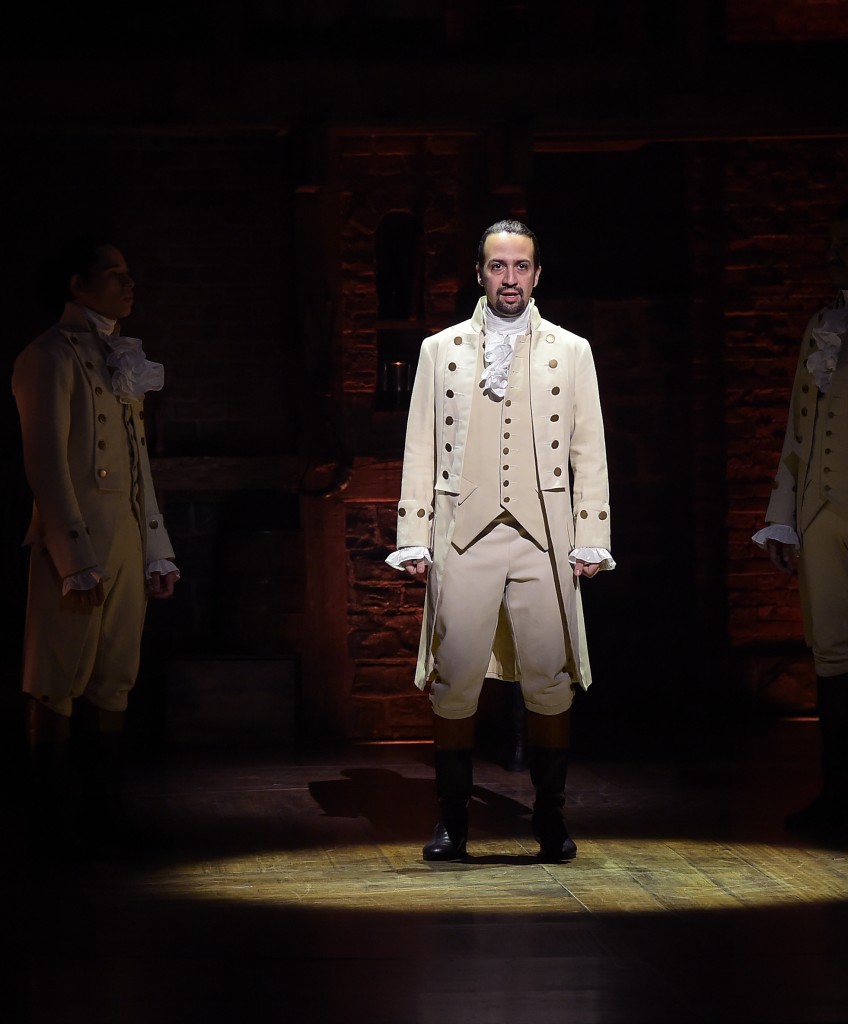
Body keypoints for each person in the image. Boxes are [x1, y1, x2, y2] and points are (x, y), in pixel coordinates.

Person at [387, 219, 614, 862]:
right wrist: (414, 535)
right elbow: (420, 447)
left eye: (520, 267)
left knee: (550, 678)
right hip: (463, 536)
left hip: (545, 538)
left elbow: (588, 450)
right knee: (454, 676)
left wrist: (591, 535)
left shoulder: (572, 351)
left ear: (537, 274)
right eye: (497, 266)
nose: (508, 278)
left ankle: (549, 817)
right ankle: (453, 820)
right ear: (480, 273)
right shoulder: (442, 349)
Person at [12, 236, 179, 854]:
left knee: (115, 676)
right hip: (78, 544)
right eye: (113, 275)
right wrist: (73, 556)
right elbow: (46, 467)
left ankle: (104, 807)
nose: (127, 284)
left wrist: (156, 545)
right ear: (77, 286)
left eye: (127, 274)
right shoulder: (48, 357)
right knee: (57, 674)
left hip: (126, 539)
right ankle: (47, 816)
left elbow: (138, 465)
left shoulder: (119, 356)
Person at [753, 202, 848, 838]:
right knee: (832, 657)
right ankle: (837, 796)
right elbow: (798, 430)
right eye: (835, 245)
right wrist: (783, 516)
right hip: (820, 513)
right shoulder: (821, 325)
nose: (837, 256)